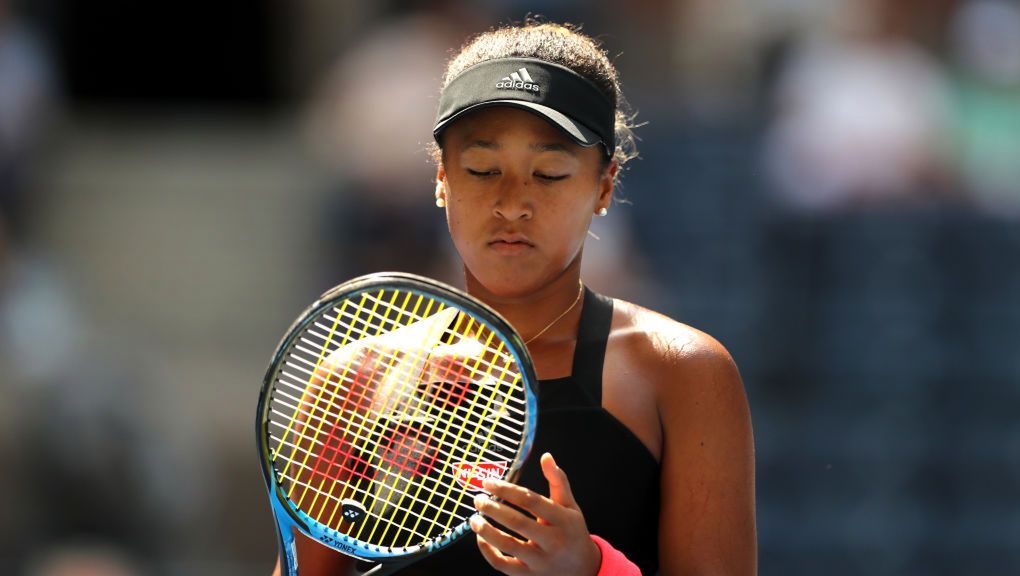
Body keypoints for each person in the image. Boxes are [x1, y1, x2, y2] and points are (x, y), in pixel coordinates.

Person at [276, 21, 756, 576]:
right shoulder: (353, 379)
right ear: (440, 179)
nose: (512, 204)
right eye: (482, 170)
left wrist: (591, 569)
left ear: (604, 186)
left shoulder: (684, 373)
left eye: (549, 174)